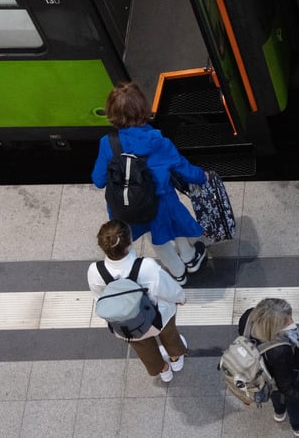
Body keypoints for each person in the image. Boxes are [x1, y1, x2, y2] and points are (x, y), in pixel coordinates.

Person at [92, 82, 208, 285]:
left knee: (157, 240)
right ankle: (190, 258)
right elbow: (183, 168)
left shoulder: (107, 142)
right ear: (143, 109)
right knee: (176, 226)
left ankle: (178, 273)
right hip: (162, 203)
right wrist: (202, 177)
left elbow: (99, 180)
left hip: (129, 205)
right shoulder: (159, 142)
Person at [87, 219, 187, 382]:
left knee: (143, 347)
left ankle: (164, 370)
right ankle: (175, 359)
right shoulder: (147, 266)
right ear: (129, 242)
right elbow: (168, 289)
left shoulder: (95, 271)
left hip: (128, 325)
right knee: (169, 336)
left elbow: (99, 299)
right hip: (158, 317)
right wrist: (180, 298)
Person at [237, 298, 299, 436]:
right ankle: (298, 426)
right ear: (273, 327)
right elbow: (288, 388)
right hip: (281, 375)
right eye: (286, 321)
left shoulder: (248, 317)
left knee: (275, 394)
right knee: (292, 400)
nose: (292, 322)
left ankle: (279, 413)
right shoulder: (280, 350)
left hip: (262, 375)